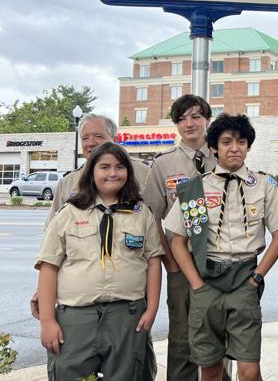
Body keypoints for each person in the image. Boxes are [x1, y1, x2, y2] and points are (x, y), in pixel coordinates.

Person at [164, 113, 278, 381]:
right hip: (206, 283)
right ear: (214, 147)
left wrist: (257, 277)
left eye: (241, 142)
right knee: (210, 369)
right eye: (226, 142)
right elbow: (177, 240)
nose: (234, 148)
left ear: (248, 146)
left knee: (249, 370)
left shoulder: (264, 185)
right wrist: (196, 285)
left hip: (244, 282)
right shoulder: (195, 188)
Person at [36, 143, 163, 380]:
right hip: (76, 318)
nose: (113, 173)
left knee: (128, 374)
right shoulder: (69, 213)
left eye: (120, 167)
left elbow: (154, 261)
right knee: (70, 374)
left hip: (127, 314)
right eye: (104, 167)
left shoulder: (140, 213)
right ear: (91, 172)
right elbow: (48, 265)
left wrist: (152, 308)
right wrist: (47, 320)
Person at [141, 94, 220, 381]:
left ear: (207, 120)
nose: (189, 123)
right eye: (182, 118)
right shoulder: (163, 164)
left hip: (219, 260)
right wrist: (169, 263)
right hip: (180, 263)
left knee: (218, 335)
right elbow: (152, 217)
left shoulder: (222, 156)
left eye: (196, 116)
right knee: (181, 338)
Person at [43, 113, 149, 230]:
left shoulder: (143, 172)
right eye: (85, 138)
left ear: (115, 140)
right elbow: (52, 229)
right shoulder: (67, 182)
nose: (90, 143)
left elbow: (155, 221)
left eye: (98, 136)